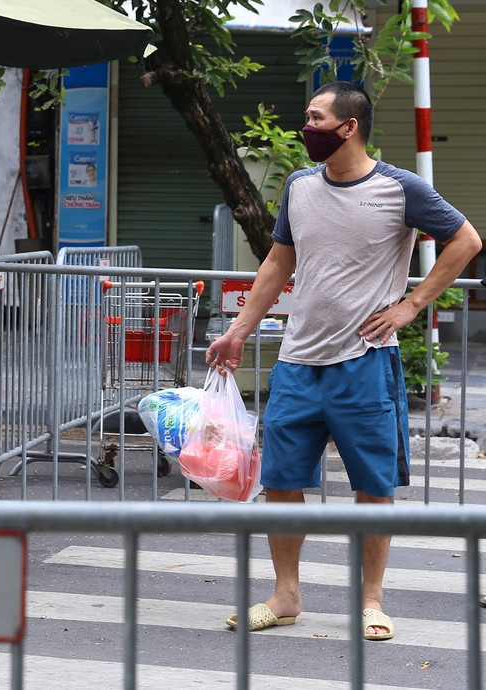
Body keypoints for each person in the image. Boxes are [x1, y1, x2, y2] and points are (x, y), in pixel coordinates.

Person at [207, 81, 481, 640]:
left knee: (372, 486)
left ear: (347, 127)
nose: (305, 127)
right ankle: (286, 595)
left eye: (314, 117)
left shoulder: (400, 188)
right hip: (298, 362)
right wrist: (238, 331)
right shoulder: (300, 186)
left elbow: (465, 240)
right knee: (282, 482)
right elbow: (277, 265)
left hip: (365, 362)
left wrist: (411, 306)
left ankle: (371, 602)